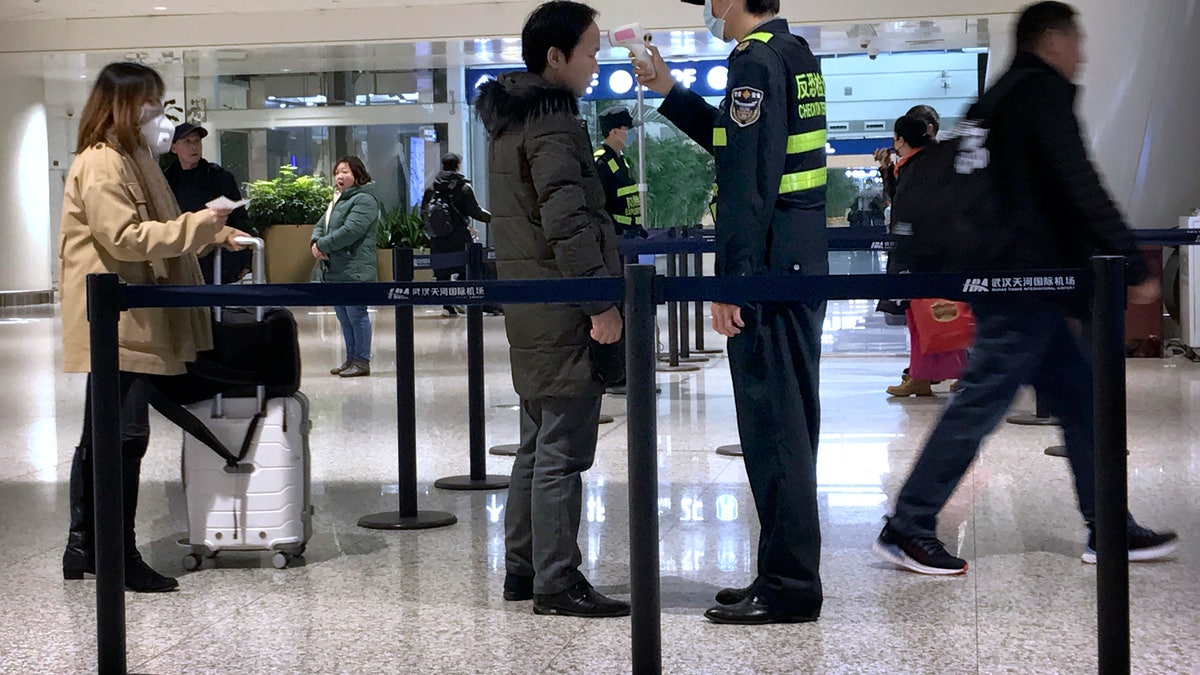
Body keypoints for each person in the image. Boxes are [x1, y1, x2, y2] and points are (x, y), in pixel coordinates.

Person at [872, 0, 1178, 576]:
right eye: (1076, 41)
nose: (1081, 53)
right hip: (1024, 283)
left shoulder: (993, 100)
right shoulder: (1041, 93)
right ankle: (908, 523)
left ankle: (1110, 527)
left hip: (1008, 276)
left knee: (1081, 404)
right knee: (979, 403)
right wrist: (1134, 267)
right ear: (1053, 40)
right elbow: (1077, 181)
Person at [635, 0, 827, 624]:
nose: (711, 7)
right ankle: (779, 572)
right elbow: (737, 141)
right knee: (790, 426)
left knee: (775, 430)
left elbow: (747, 184)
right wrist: (669, 90)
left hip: (768, 271)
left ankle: (790, 585)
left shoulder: (754, 62)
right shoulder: (793, 54)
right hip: (796, 265)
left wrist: (732, 283)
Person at [59, 62, 245, 592]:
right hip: (118, 321)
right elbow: (124, 238)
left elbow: (156, 231)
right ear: (124, 105)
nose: (158, 116)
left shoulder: (132, 159)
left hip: (132, 318)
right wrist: (197, 226)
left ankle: (87, 547)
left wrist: (213, 234)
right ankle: (113, 555)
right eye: (150, 103)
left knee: (108, 436)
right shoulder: (101, 163)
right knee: (122, 436)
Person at [476, 0, 628, 619]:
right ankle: (557, 581)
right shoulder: (553, 124)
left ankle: (523, 568)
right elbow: (568, 222)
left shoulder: (511, 120)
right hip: (563, 306)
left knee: (537, 443)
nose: (596, 64)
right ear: (555, 56)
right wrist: (600, 303)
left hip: (530, 302)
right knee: (563, 449)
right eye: (589, 52)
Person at [882, 114, 967, 398]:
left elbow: (915, 213)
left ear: (901, 140)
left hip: (921, 259)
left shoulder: (921, 167)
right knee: (923, 320)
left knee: (934, 318)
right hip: (922, 257)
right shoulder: (916, 166)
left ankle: (945, 373)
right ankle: (921, 374)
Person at [312, 156, 380, 378]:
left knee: (357, 315)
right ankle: (350, 359)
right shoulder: (338, 199)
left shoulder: (365, 200)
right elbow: (322, 224)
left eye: (346, 172)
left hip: (354, 268)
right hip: (335, 269)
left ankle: (362, 361)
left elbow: (351, 231)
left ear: (358, 175)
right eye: (337, 172)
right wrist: (315, 242)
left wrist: (323, 245)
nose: (340, 176)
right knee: (343, 316)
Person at [163, 122, 253, 284]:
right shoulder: (166, 181)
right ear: (174, 147)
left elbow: (239, 218)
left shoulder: (219, 177)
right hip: (179, 257)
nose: (193, 147)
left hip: (217, 259)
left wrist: (246, 261)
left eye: (197, 141)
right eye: (187, 142)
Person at [420, 153, 492, 316]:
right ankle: (466, 301)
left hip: (438, 238)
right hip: (459, 235)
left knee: (442, 272)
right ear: (458, 165)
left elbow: (423, 212)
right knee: (467, 269)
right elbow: (474, 211)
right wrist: (493, 218)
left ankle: (447, 306)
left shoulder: (432, 188)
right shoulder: (463, 188)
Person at [593, 106, 643, 237]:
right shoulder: (601, 163)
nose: (633, 133)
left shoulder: (621, 160)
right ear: (614, 132)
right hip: (615, 239)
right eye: (628, 129)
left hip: (630, 236)